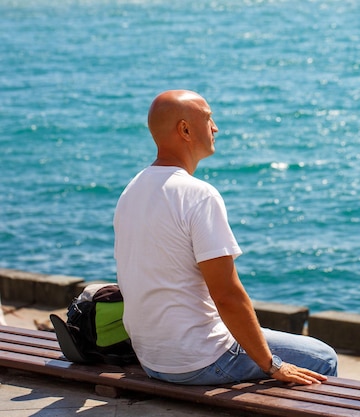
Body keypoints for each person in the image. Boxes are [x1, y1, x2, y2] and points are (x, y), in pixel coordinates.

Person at [114, 90, 337, 386]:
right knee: (323, 357)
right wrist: (273, 365)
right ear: (185, 129)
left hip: (153, 358)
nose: (215, 127)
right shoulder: (198, 195)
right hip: (199, 359)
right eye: (208, 118)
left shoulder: (132, 189)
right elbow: (227, 296)